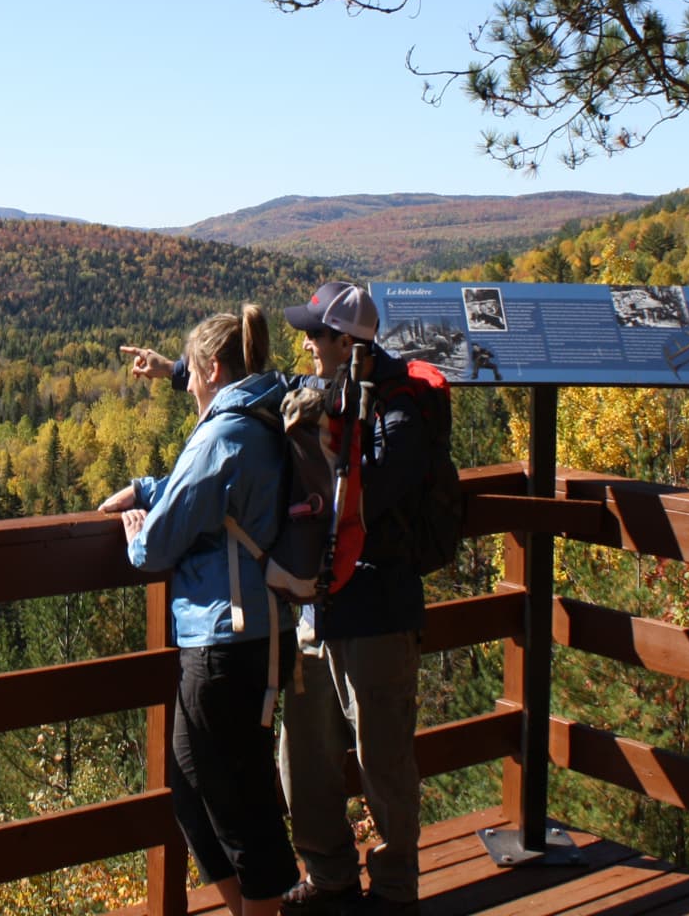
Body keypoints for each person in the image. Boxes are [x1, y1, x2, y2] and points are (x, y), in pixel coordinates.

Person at [106, 306, 298, 916]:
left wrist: (138, 528)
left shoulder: (222, 433)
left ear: (213, 369)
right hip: (254, 634)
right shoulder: (263, 416)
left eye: (190, 372)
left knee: (238, 800)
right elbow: (217, 502)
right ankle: (247, 907)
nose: (185, 382)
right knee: (192, 789)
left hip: (227, 640)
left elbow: (159, 544)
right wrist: (150, 487)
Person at [277, 280, 432, 916]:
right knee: (303, 756)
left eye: (315, 334)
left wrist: (339, 445)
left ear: (346, 340)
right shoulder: (327, 391)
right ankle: (328, 873)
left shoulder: (398, 403)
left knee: (384, 761)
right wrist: (182, 371)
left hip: (377, 609)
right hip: (319, 606)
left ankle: (394, 892)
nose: (307, 344)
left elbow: (384, 489)